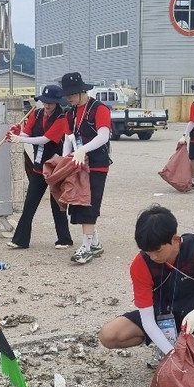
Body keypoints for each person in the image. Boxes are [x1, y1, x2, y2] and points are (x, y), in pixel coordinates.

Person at [98, 205, 194, 361]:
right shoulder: (141, 264)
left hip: (193, 310)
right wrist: (172, 355)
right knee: (108, 335)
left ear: (174, 240)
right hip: (160, 313)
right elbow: (148, 320)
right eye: (148, 252)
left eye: (158, 251)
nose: (153, 257)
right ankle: (165, 346)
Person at [5, 85, 73, 250]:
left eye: (51, 102)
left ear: (57, 103)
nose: (47, 105)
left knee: (57, 203)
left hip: (55, 167)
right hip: (38, 168)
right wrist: (17, 133)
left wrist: (19, 140)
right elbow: (28, 134)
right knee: (30, 203)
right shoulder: (36, 113)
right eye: (45, 102)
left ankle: (64, 239)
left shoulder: (61, 119)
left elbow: (44, 139)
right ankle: (21, 239)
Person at [60, 71, 112, 265]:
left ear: (82, 91)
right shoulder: (70, 113)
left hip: (97, 165)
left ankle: (86, 247)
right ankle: (95, 242)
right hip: (77, 165)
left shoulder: (99, 109)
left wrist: (83, 150)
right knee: (78, 202)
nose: (69, 98)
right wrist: (66, 160)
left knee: (90, 204)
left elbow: (103, 136)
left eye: (72, 94)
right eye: (67, 95)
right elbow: (68, 138)